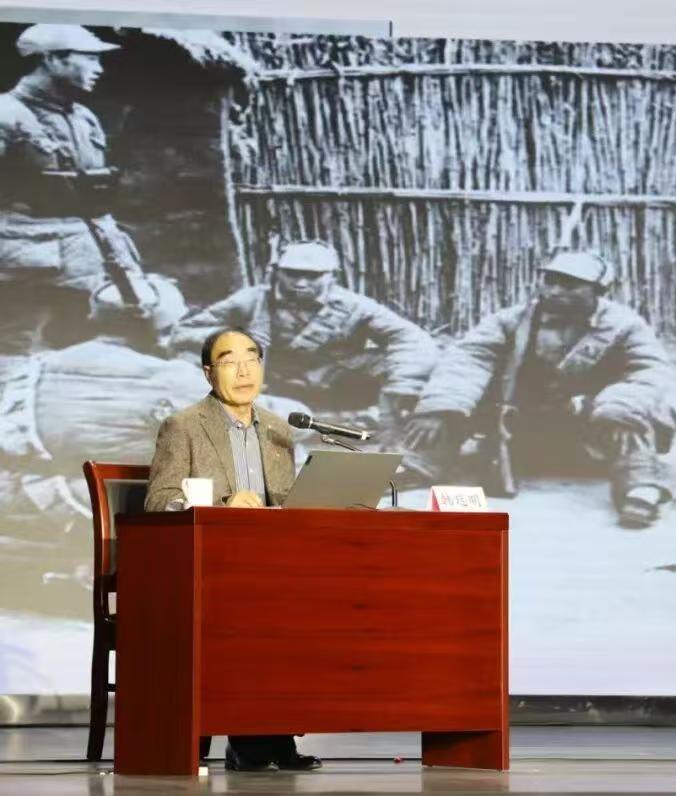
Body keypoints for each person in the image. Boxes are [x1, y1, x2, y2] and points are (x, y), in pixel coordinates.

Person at [144, 327, 321, 772]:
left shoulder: (279, 431)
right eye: (229, 361)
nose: (244, 371)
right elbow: (160, 501)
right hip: (209, 569)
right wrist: (223, 506)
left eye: (252, 359)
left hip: (269, 568)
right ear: (209, 373)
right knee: (252, 610)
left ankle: (275, 732)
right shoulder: (183, 426)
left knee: (309, 606)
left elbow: (286, 505)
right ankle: (255, 740)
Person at [403, 251, 676, 529]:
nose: (555, 291)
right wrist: (442, 406)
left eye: (569, 285)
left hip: (591, 426)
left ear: (598, 291)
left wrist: (613, 404)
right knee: (452, 403)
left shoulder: (624, 325)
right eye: (550, 281)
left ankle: (640, 489)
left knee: (632, 414)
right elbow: (469, 359)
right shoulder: (512, 320)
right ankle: (417, 466)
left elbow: (648, 370)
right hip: (525, 422)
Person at [167, 240, 437, 439]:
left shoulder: (355, 306)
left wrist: (404, 385)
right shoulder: (252, 300)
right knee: (192, 359)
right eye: (293, 273)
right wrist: (237, 342)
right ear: (277, 272)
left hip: (331, 380)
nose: (301, 282)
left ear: (332, 277)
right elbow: (184, 332)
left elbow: (411, 339)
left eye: (313, 276)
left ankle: (390, 436)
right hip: (265, 380)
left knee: (398, 363)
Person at [0, 24, 152, 359]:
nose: (99, 69)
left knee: (83, 350)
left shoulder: (84, 117)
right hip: (29, 260)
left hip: (92, 253)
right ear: (52, 59)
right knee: (17, 351)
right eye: (90, 59)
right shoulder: (6, 114)